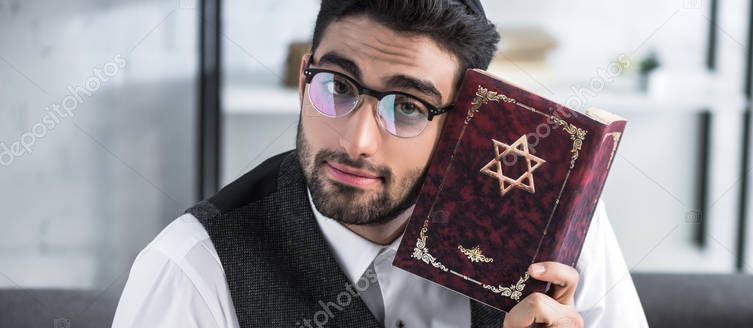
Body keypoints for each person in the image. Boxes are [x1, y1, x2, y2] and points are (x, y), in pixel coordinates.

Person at [113, 0, 647, 327]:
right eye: (337, 87)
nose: (358, 140)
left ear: (462, 123)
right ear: (303, 78)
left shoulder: (557, 232)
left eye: (408, 107)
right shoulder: (189, 271)